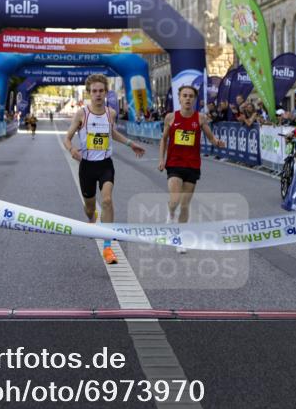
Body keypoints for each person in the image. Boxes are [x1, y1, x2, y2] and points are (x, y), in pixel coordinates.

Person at [64, 73, 146, 265]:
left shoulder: (111, 113)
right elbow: (67, 138)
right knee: (90, 207)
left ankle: (108, 247)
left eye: (101, 91)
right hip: (87, 166)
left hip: (105, 164)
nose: (98, 94)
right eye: (94, 91)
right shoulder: (82, 114)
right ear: (89, 93)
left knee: (107, 200)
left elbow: (111, 132)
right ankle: (92, 221)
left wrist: (130, 143)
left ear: (106, 93)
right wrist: (72, 150)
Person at [158, 85, 225, 253]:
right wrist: (161, 159)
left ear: (194, 99)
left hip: (192, 165)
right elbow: (164, 139)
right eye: (184, 96)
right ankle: (170, 213)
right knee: (175, 200)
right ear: (179, 98)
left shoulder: (200, 118)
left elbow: (210, 138)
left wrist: (217, 142)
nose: (187, 98)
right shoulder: (171, 117)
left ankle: (180, 239)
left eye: (190, 96)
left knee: (185, 204)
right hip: (174, 163)